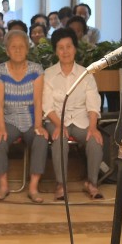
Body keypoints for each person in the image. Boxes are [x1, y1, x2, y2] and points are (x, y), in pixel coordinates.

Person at [41, 28, 103, 202]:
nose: (65, 51)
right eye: (60, 47)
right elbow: (47, 106)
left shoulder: (86, 74)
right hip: (56, 119)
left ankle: (92, 183)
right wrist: (59, 125)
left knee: (94, 140)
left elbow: (92, 103)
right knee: (59, 139)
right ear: (55, 51)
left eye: (69, 46)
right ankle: (61, 185)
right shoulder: (49, 74)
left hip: (82, 121)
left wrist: (93, 127)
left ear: (75, 48)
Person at [0, 30, 48, 203]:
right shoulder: (0, 71)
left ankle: (33, 188)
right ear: (7, 51)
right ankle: (3, 186)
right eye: (13, 47)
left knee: (41, 139)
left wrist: (38, 125)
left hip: (31, 118)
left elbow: (38, 101)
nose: (17, 50)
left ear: (27, 49)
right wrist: (0, 128)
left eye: (21, 46)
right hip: (10, 119)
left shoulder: (36, 70)